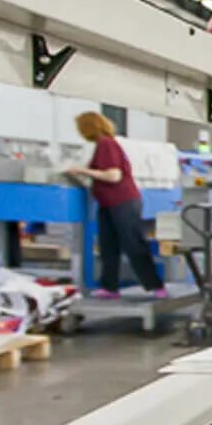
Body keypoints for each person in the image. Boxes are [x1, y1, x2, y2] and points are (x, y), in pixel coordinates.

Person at [61, 112, 165, 300]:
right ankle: (109, 287)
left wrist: (82, 170)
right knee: (108, 246)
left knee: (133, 243)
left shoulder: (106, 144)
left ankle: (155, 286)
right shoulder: (102, 146)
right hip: (108, 203)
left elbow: (114, 175)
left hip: (122, 202)